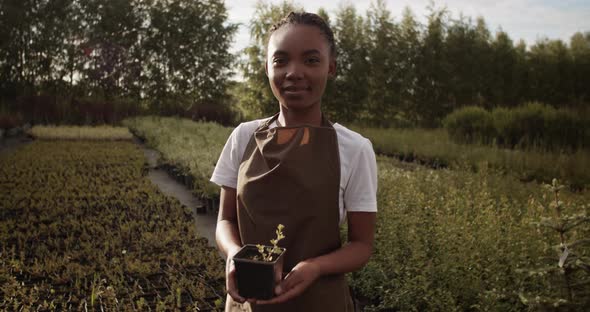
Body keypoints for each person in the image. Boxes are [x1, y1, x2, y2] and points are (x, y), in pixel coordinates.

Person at [210, 11, 377, 312]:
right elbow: (225, 220)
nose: (294, 72)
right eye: (281, 60)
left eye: (311, 60)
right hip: (249, 301)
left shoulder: (354, 148)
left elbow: (361, 245)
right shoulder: (244, 136)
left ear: (331, 68)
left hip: (320, 300)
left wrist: (313, 266)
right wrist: (234, 254)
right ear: (267, 68)